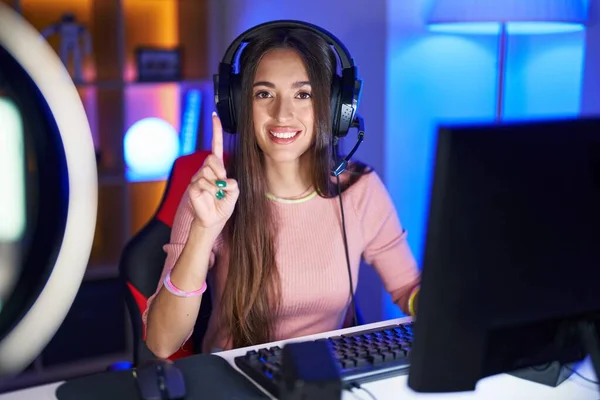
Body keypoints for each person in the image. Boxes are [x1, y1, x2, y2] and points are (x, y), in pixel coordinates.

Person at [144, 23, 421, 359]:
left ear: (335, 108)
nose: (282, 114)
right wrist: (203, 230)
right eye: (264, 94)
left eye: (303, 94)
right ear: (239, 106)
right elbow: (162, 342)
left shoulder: (359, 190)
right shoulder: (212, 195)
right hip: (238, 378)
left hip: (330, 376)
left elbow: (409, 289)